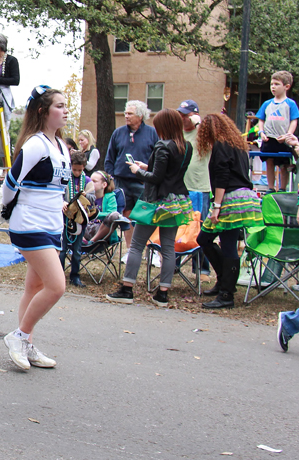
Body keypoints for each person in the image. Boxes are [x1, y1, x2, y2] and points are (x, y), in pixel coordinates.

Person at [0, 85, 70, 370]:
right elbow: (10, 184)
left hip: (53, 223)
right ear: (43, 111)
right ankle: (19, 336)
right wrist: (5, 209)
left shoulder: (62, 145)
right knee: (56, 286)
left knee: (35, 286)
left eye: (66, 106)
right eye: (60, 106)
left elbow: (57, 189)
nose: (65, 111)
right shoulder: (35, 144)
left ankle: (26, 343)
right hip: (30, 223)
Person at [106, 108, 193, 308]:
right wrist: (147, 166)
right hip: (176, 201)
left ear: (164, 126)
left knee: (137, 244)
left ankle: (127, 289)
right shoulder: (186, 147)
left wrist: (138, 171)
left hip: (156, 202)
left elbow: (156, 178)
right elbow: (169, 172)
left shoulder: (162, 146)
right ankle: (163, 293)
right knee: (168, 247)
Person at [195, 113, 263, 310]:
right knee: (221, 242)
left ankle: (226, 293)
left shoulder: (221, 145)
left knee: (217, 242)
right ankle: (225, 283)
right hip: (243, 196)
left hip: (230, 199)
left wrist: (216, 206)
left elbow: (222, 176)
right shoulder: (238, 145)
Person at [105, 100, 159, 252]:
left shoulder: (152, 133)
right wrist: (111, 179)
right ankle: (130, 250)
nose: (126, 116)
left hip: (143, 181)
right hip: (121, 181)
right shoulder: (118, 133)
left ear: (140, 116)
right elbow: (110, 157)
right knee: (126, 214)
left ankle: (151, 250)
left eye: (130, 113)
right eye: (125, 113)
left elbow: (158, 158)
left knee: (146, 215)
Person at [178, 100, 212, 281]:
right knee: (177, 225)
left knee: (200, 228)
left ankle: (202, 269)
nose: (182, 118)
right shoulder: (178, 133)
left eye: (186, 115)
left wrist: (198, 123)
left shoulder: (203, 134)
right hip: (180, 187)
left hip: (200, 187)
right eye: (180, 114)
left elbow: (217, 141)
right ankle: (174, 263)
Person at [257, 71, 298, 192]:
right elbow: (261, 120)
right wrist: (261, 133)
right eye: (271, 84)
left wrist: (288, 135)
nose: (273, 87)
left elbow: (293, 121)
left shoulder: (290, 104)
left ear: (286, 86)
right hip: (269, 139)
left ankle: (282, 188)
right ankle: (270, 187)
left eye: (276, 84)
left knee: (283, 165)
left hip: (283, 140)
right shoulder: (267, 103)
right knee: (269, 163)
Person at [60, 150, 93, 287]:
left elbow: (93, 198)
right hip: (64, 219)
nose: (77, 173)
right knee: (62, 249)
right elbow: (58, 193)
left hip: (80, 221)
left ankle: (75, 275)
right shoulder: (65, 178)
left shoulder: (88, 181)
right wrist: (61, 202)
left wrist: (86, 195)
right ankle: (59, 275)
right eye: (74, 169)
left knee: (77, 250)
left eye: (80, 170)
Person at [83, 170, 127, 245]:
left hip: (101, 230)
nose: (90, 183)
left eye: (94, 181)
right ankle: (82, 241)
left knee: (115, 215)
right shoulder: (85, 195)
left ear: (104, 184)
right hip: (84, 228)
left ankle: (91, 242)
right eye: (90, 180)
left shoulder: (110, 197)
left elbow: (111, 213)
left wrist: (96, 214)